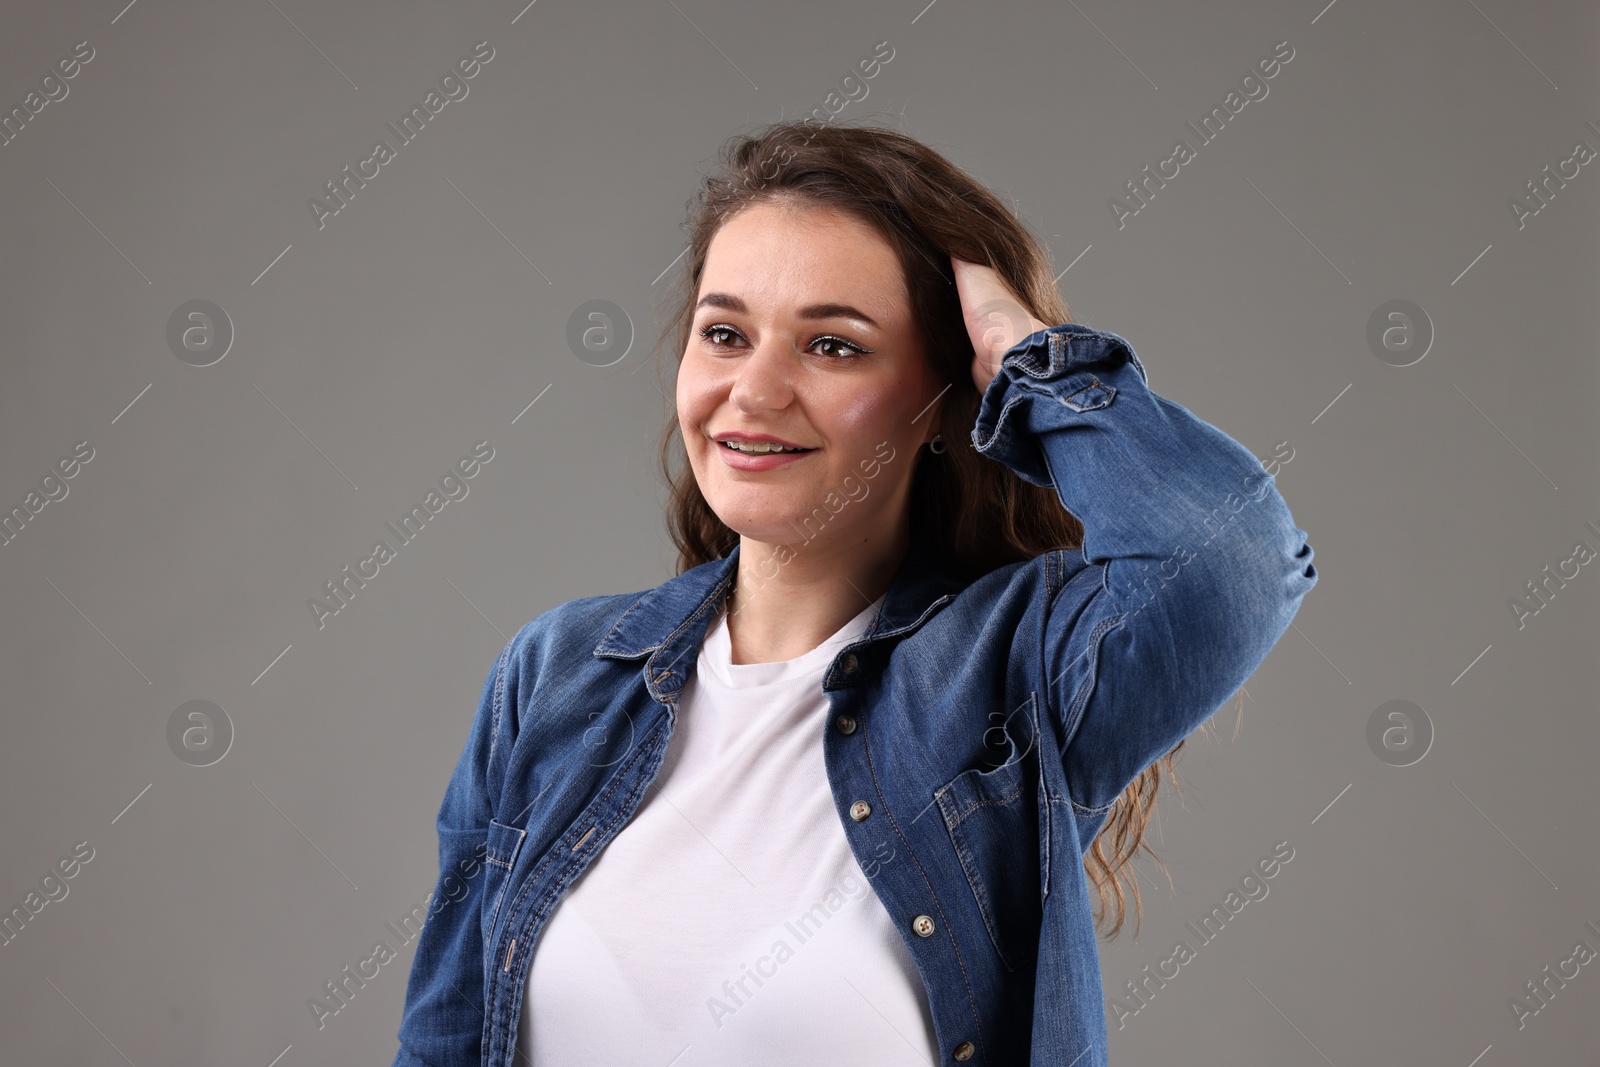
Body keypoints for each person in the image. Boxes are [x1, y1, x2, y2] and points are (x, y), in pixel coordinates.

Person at [390, 119, 1318, 1067]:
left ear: (946, 402)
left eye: (832, 346)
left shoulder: (1009, 677)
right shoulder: (555, 675)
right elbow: (444, 1042)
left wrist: (1028, 352)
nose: (753, 391)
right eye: (725, 333)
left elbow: (1234, 560)